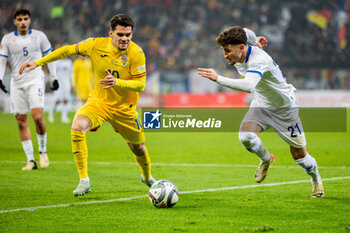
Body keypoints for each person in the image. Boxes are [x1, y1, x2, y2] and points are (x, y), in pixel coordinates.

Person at [20, 14, 156, 196]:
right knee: (77, 126)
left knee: (138, 147)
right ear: (111, 33)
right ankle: (84, 181)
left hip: (125, 109)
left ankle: (146, 177)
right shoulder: (95, 45)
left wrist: (117, 82)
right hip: (99, 102)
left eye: (128, 35)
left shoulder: (136, 53)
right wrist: (38, 63)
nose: (125, 39)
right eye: (121, 35)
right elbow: (67, 50)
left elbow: (141, 85)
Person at [198, 26, 324, 198]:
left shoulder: (258, 59)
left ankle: (316, 180)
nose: (225, 55)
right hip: (261, 105)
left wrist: (218, 78)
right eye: (223, 51)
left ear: (241, 48)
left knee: (299, 156)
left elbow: (249, 85)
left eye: (228, 51)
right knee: (245, 136)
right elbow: (244, 30)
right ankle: (266, 158)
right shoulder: (243, 42)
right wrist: (255, 39)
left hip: (284, 110)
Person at [0, 9, 58, 170]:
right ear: (14, 22)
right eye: (20, 19)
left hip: (35, 80)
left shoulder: (39, 36)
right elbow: (2, 59)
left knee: (38, 117)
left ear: (30, 20)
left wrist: (53, 76)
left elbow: (50, 56)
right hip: (16, 83)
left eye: (25, 19)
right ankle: (31, 160)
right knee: (21, 122)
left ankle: (43, 151)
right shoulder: (7, 39)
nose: (23, 22)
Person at [49, 48, 73, 123]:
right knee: (58, 100)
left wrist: (72, 83)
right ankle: (51, 114)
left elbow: (71, 73)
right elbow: (52, 73)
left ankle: (64, 117)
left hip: (66, 83)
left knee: (66, 100)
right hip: (58, 83)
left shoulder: (69, 62)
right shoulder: (56, 62)